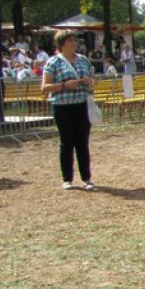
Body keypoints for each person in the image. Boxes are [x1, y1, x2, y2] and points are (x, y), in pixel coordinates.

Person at [41, 30, 96, 191]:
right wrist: (64, 85)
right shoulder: (53, 62)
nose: (74, 43)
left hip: (82, 105)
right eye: (71, 40)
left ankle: (87, 178)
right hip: (63, 107)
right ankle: (67, 178)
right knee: (66, 143)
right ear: (62, 43)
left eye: (75, 40)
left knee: (82, 143)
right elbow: (45, 88)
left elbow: (95, 82)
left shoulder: (84, 60)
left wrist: (89, 81)